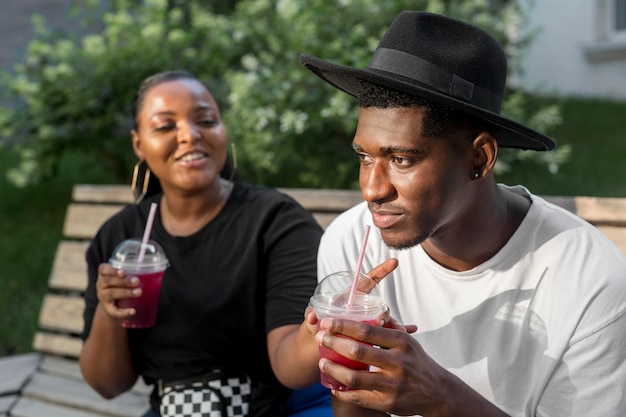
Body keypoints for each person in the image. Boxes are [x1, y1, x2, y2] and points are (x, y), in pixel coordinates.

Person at [299, 10, 626, 417]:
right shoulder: (351, 240)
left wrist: (444, 398)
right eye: (364, 156)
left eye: (401, 159)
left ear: (480, 157)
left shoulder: (592, 283)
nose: (372, 189)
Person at [79, 70, 330, 417]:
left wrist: (326, 324)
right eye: (166, 126)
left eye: (206, 120)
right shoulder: (119, 236)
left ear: (222, 129)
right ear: (139, 144)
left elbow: (292, 366)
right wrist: (110, 312)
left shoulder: (275, 221)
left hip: (274, 407)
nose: (190, 135)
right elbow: (108, 385)